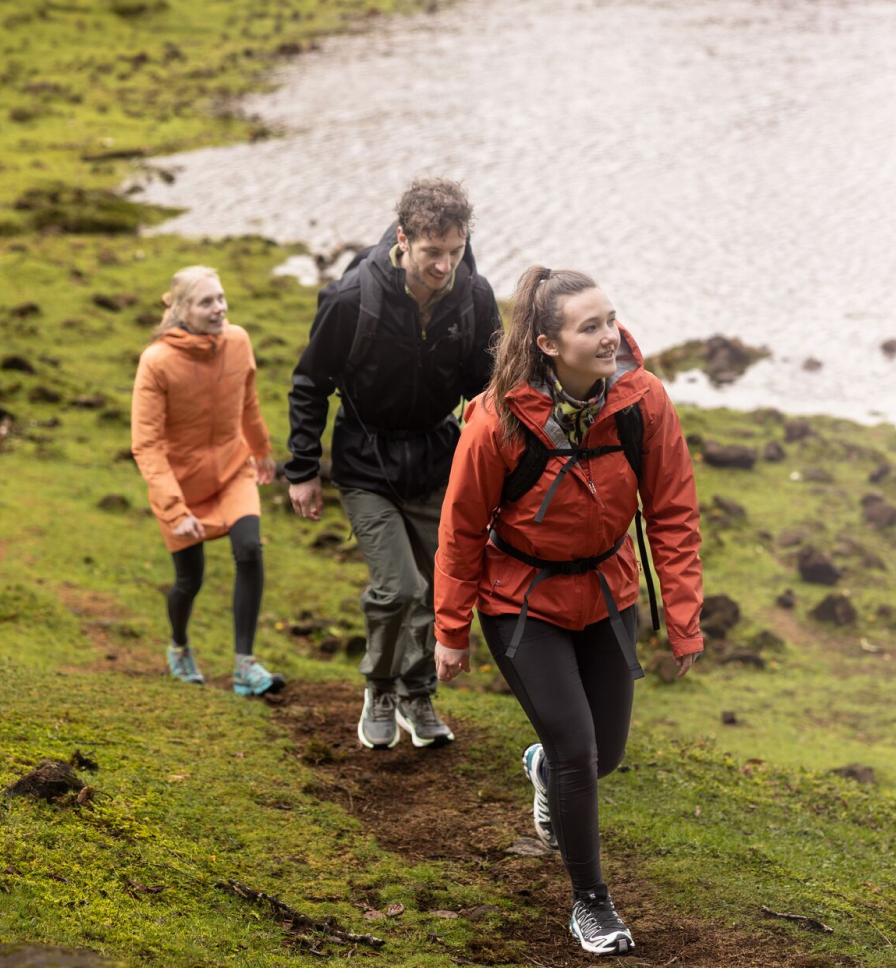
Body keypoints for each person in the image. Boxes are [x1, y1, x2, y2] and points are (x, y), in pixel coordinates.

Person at [431, 266, 703, 956]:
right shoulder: (497, 420)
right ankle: (592, 904)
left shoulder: (643, 403)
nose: (610, 335)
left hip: (609, 593)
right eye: (591, 326)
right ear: (549, 343)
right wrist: (451, 630)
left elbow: (672, 513)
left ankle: (546, 770)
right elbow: (461, 530)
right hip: (522, 602)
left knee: (601, 754)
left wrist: (683, 618)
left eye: (611, 320)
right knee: (580, 750)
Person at [285, 178, 499, 748]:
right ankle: (379, 687)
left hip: (436, 459)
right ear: (404, 239)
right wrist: (303, 468)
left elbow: (488, 393)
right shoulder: (351, 298)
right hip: (365, 463)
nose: (445, 265)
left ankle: (417, 692)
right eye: (433, 253)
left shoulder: (475, 298)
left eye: (455, 251)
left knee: (439, 586)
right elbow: (310, 383)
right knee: (399, 587)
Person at [131, 265, 286, 698]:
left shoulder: (238, 342)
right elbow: (146, 445)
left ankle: (245, 666)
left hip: (233, 468)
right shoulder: (156, 361)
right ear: (181, 310)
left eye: (221, 298)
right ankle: (179, 646)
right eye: (206, 302)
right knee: (189, 580)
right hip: (178, 483)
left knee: (250, 550)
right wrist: (174, 510)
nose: (218, 308)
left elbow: (248, 401)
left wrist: (261, 451)